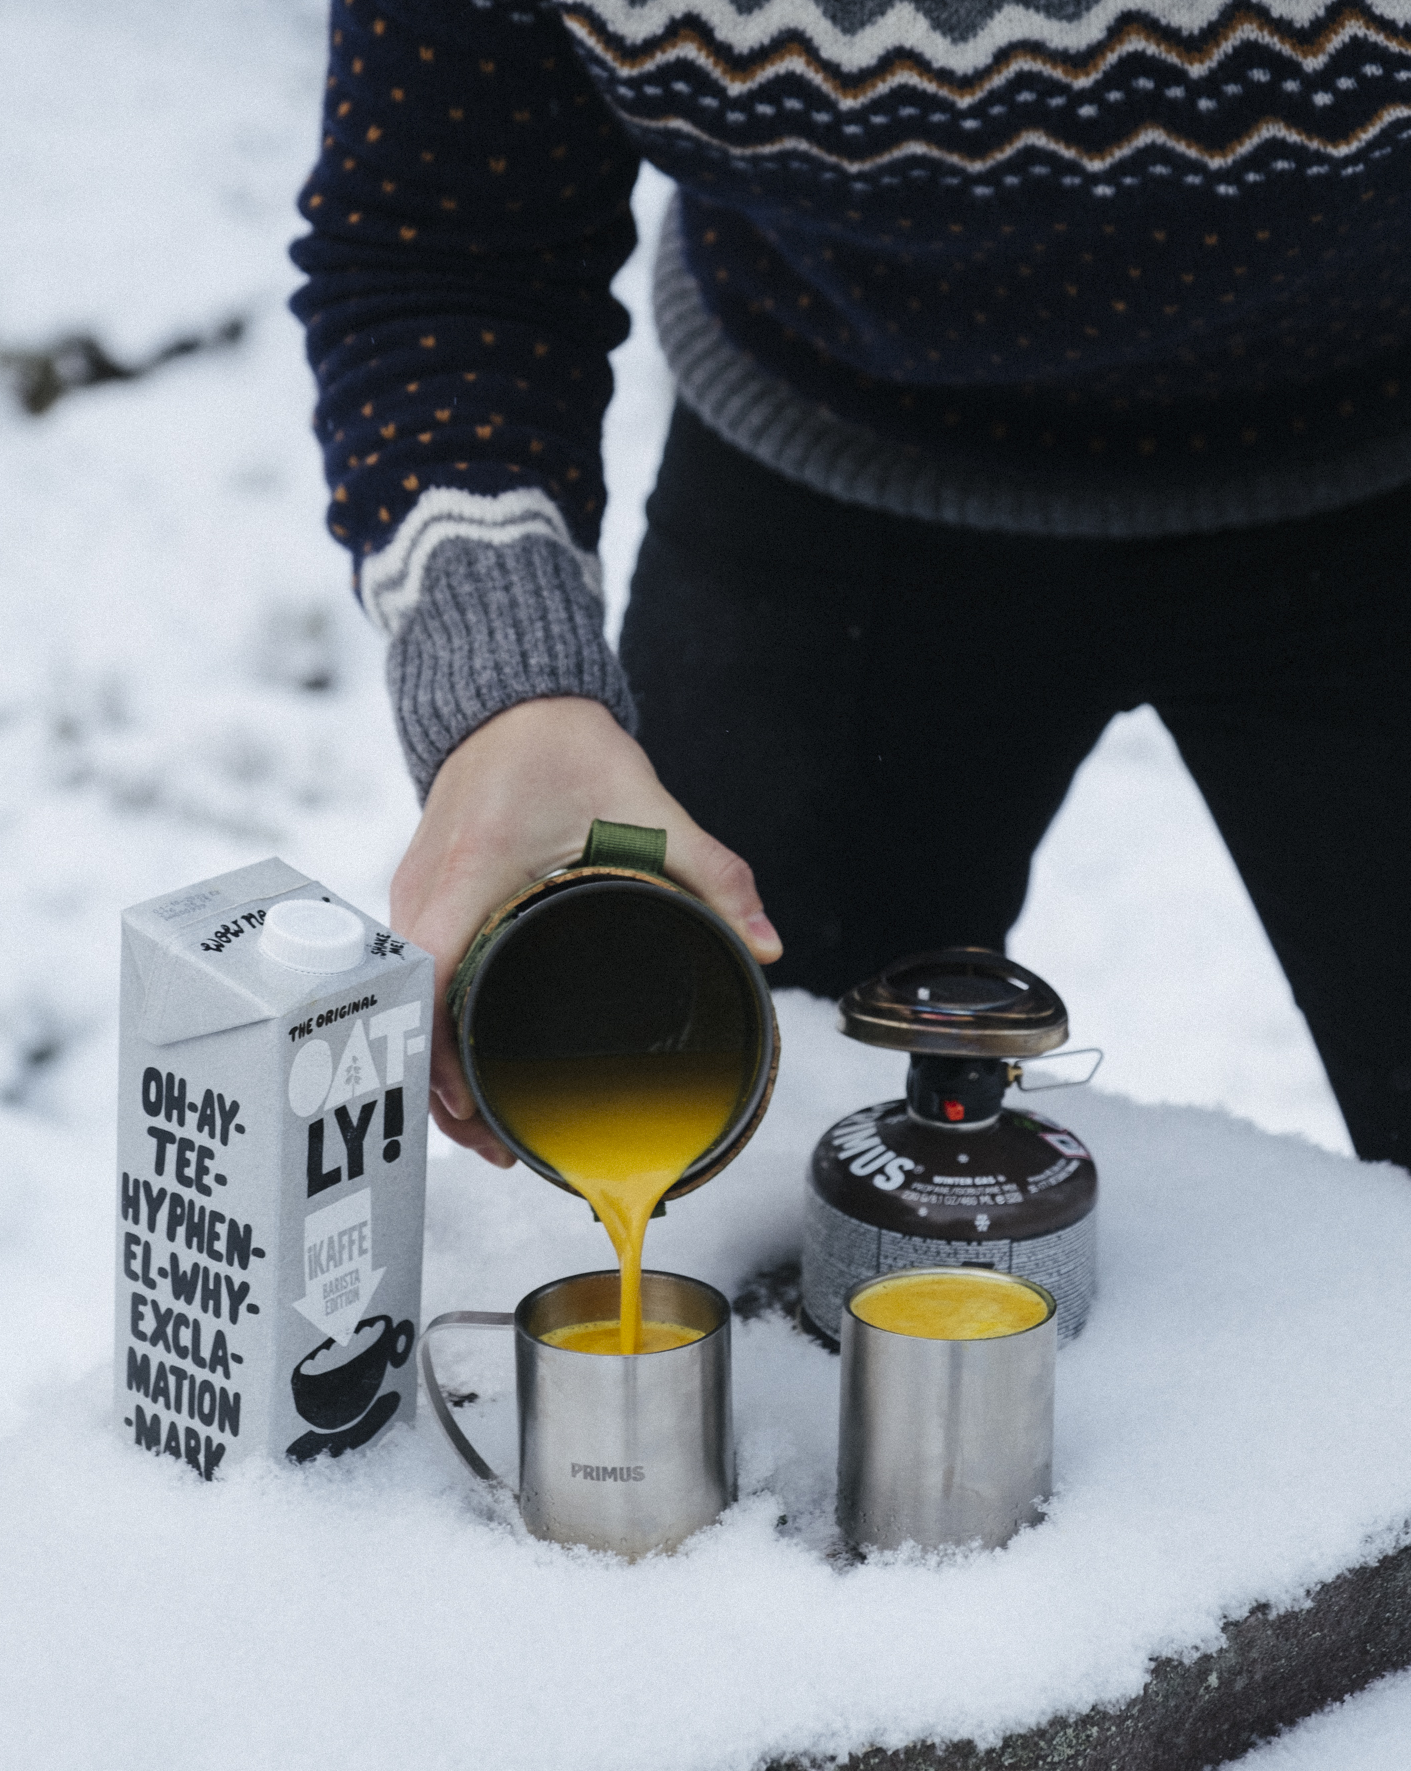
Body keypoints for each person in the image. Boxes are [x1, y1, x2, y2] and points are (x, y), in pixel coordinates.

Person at [291, 0, 1411, 1173]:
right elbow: (442, 248)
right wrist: (507, 701)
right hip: (823, 463)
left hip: (1383, 455)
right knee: (705, 1157)